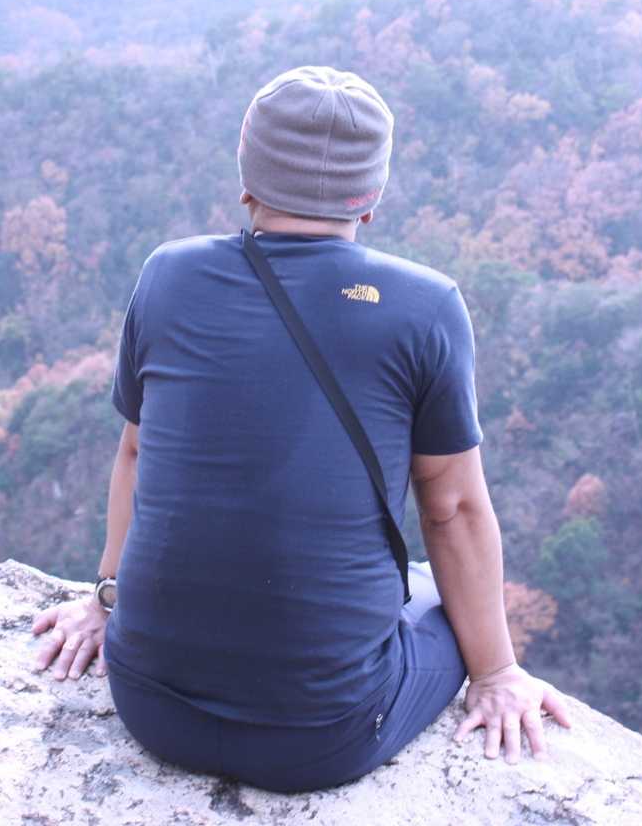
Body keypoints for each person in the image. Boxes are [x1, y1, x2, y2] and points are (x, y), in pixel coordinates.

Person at [31, 65, 570, 792]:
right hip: (323, 740)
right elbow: (452, 510)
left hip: (150, 705)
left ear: (247, 178)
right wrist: (497, 673)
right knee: (429, 590)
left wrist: (106, 599)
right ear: (370, 198)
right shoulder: (425, 307)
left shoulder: (168, 275)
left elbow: (136, 451)